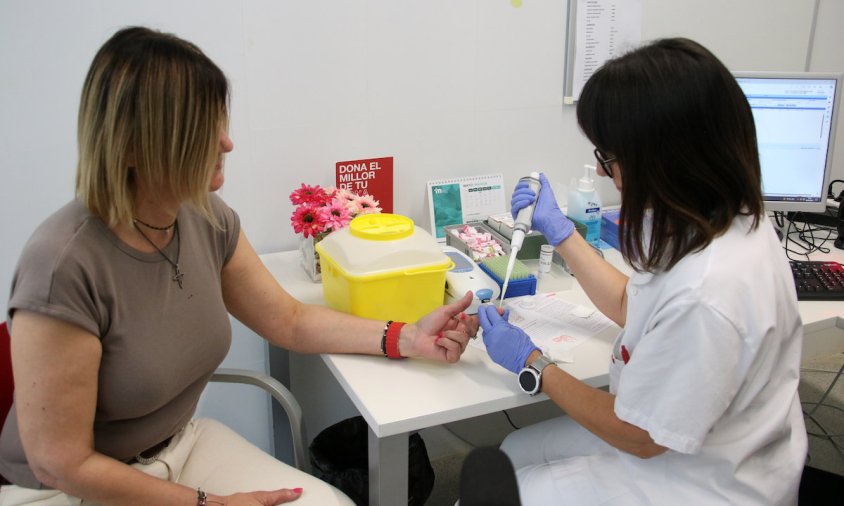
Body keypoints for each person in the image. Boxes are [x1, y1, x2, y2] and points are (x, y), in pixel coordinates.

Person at [0, 26, 478, 506]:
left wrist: (407, 337)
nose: (226, 143)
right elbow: (59, 462)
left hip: (178, 446)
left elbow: (289, 321)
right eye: (201, 129)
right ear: (130, 148)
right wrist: (212, 505)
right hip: (71, 487)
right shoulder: (62, 265)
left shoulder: (206, 219)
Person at [478, 38, 807, 505]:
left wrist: (533, 364)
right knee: (511, 452)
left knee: (499, 491)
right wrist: (561, 232)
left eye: (609, 157)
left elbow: (639, 436)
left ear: (663, 158)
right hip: (689, 437)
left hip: (702, 481)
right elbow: (637, 306)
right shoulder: (717, 216)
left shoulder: (711, 289)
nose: (602, 168)